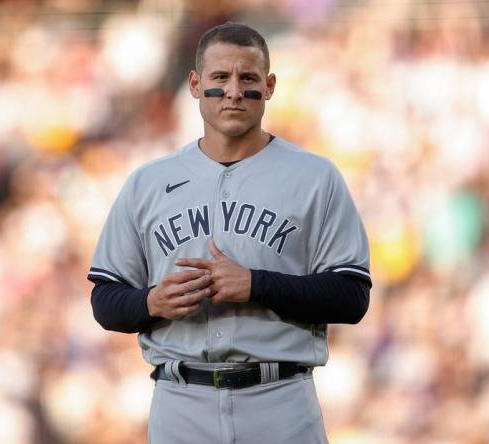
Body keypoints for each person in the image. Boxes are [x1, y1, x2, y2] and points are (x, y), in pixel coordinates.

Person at [87, 22, 372, 444]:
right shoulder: (148, 182)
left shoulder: (315, 176)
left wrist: (256, 284)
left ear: (270, 86)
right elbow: (105, 299)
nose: (234, 91)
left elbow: (352, 296)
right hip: (180, 401)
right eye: (221, 78)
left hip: (280, 399)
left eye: (249, 78)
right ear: (196, 84)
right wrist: (152, 301)